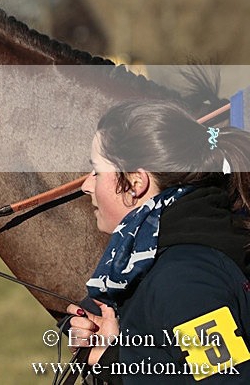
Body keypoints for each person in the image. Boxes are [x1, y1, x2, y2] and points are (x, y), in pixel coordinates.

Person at [66, 100, 250, 384]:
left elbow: (226, 379)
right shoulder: (161, 258)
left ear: (136, 183)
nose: (86, 186)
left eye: (97, 172)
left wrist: (115, 360)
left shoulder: (186, 277)